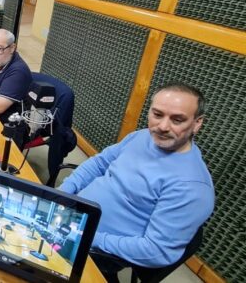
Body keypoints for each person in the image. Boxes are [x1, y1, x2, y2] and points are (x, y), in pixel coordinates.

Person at [59, 82, 214, 281]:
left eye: (177, 120)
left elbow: (156, 251)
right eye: (157, 115)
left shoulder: (192, 187)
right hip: (74, 217)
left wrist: (86, 236)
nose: (163, 126)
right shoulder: (142, 137)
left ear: (197, 123)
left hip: (99, 248)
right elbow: (99, 163)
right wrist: (63, 192)